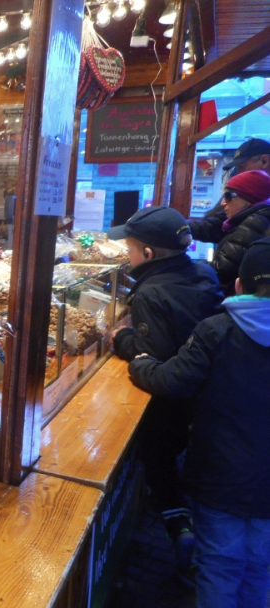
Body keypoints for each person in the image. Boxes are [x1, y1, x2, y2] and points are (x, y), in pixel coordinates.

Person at [127, 237, 270, 608]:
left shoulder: (217, 331)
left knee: (219, 565)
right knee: (260, 567)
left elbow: (171, 382)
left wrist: (141, 361)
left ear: (240, 284)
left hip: (220, 475)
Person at [108, 206, 224, 572]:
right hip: (208, 396)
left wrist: (123, 339)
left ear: (147, 254)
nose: (126, 256)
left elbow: (153, 357)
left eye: (128, 248)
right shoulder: (202, 272)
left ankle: (178, 524)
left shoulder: (152, 292)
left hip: (173, 400)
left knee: (158, 453)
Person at [190, 169, 270, 295]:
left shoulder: (255, 223)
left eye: (228, 196)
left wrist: (183, 267)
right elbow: (210, 228)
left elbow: (222, 270)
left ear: (248, 199)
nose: (223, 203)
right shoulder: (243, 219)